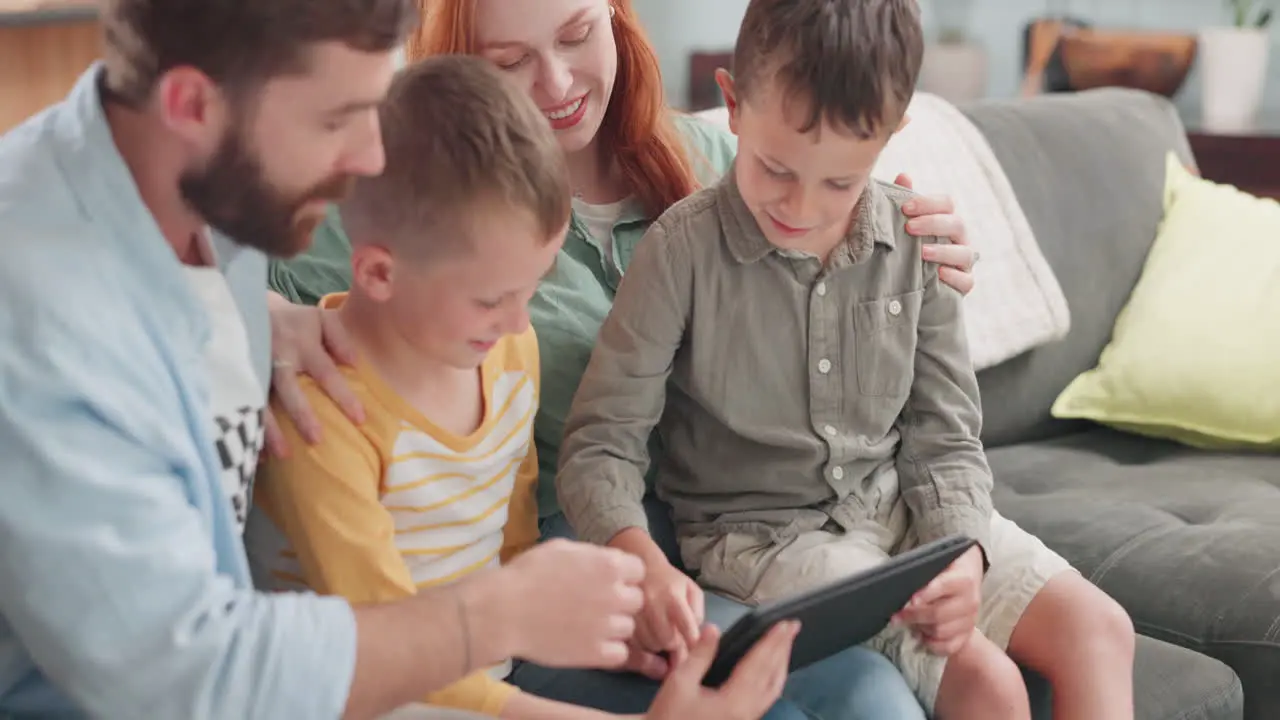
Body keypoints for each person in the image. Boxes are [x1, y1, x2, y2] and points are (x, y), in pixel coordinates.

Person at [0, 1, 781, 718]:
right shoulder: (46, 331)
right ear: (192, 106)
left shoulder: (194, 184)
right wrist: (503, 612)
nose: (368, 156)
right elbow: (197, 679)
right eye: (340, 118)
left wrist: (265, 316)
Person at [266, 0, 975, 716]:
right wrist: (261, 318)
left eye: (577, 34)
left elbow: (847, 220)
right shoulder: (408, 191)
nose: (555, 82)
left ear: (615, 16)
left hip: (726, 527)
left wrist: (919, 240)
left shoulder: (733, 161)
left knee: (875, 696)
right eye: (510, 61)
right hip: (581, 544)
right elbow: (204, 263)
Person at [555, 1, 1139, 719]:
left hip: (900, 511)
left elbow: (946, 439)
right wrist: (637, 559)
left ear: (892, 135)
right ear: (732, 105)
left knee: (1100, 629)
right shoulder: (680, 253)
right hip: (762, 540)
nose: (801, 207)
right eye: (775, 169)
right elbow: (599, 445)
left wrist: (961, 551)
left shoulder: (916, 240)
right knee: (987, 682)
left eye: (840, 182)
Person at [249, 52, 798, 720]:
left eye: (532, 289)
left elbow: (514, 556)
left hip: (490, 674)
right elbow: (388, 668)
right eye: (491, 299)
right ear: (379, 274)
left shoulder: (508, 351)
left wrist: (592, 641)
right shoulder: (324, 418)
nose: (518, 320)